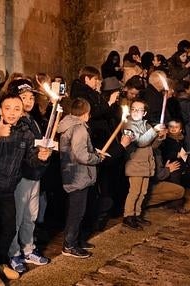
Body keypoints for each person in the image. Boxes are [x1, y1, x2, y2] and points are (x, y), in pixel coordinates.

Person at [0, 93, 51, 285]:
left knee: (9, 229)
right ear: (1, 110)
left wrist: (42, 157)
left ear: (22, 112)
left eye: (17, 109)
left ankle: (2, 261)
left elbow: (31, 160)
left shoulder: (25, 132)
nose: (12, 112)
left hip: (9, 188)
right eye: (7, 108)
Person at [5, 80, 51, 274]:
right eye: (24, 97)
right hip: (21, 175)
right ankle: (13, 252)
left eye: (31, 97)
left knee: (31, 215)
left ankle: (28, 248)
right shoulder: (13, 123)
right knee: (18, 215)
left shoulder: (32, 119)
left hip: (35, 174)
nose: (29, 101)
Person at [57, 98, 102, 259]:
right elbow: (81, 155)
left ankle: (77, 240)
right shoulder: (79, 129)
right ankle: (69, 245)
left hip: (72, 174)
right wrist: (97, 157)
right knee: (77, 212)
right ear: (86, 114)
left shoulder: (67, 125)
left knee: (77, 211)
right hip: (78, 175)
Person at [123, 99, 165, 230]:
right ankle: (128, 216)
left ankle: (137, 214)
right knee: (134, 191)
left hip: (146, 164)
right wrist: (154, 130)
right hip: (135, 163)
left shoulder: (146, 125)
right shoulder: (128, 125)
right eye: (133, 109)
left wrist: (159, 137)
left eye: (139, 110)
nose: (135, 112)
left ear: (144, 113)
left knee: (143, 192)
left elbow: (152, 145)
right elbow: (140, 142)